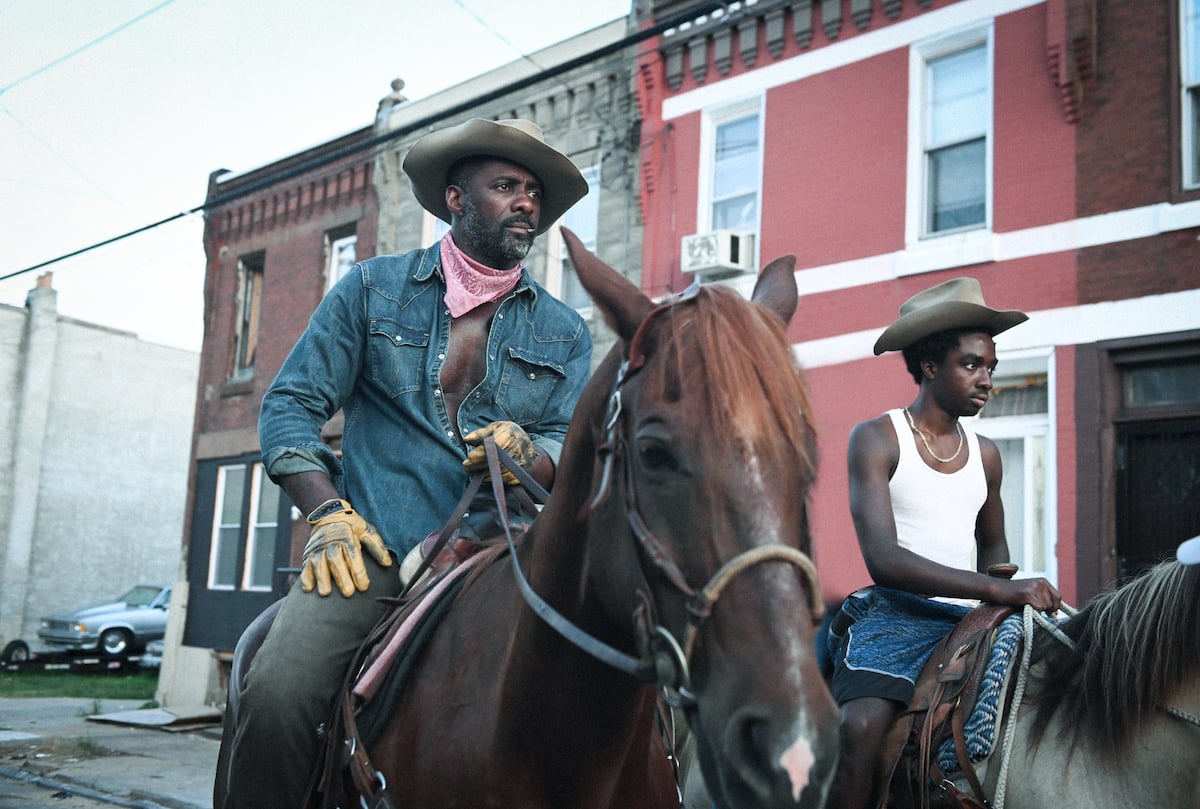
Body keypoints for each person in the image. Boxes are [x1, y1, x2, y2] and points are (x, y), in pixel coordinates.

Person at [222, 118, 593, 809]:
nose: (526, 202)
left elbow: (569, 443)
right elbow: (290, 405)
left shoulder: (566, 331)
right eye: (506, 186)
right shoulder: (371, 289)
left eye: (534, 192)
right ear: (455, 198)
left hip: (504, 557)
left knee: (648, 689)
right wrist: (326, 513)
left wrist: (532, 454)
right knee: (276, 692)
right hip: (373, 550)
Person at [825, 277, 1062, 809]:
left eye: (991, 367)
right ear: (930, 366)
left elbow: (995, 555)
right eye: (971, 365)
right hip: (895, 616)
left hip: (970, 624)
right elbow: (884, 560)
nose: (987, 380)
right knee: (860, 728)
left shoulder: (987, 455)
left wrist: (1004, 597)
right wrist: (1000, 590)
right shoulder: (878, 438)